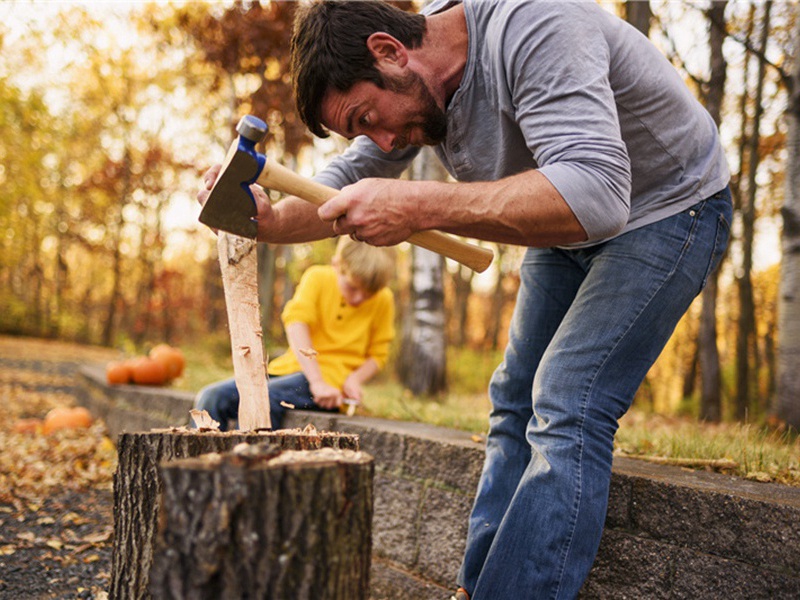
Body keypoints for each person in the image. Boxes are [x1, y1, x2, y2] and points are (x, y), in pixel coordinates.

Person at [198, 1, 732, 597]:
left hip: (668, 208)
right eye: (362, 131)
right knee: (512, 400)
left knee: (568, 399)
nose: (382, 140)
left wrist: (419, 205)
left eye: (369, 117)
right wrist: (268, 222)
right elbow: (338, 187)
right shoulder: (411, 86)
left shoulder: (537, 25)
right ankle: (478, 589)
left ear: (389, 51)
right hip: (570, 224)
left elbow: (599, 192)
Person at [195, 235, 395, 431]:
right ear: (337, 265)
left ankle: (247, 461)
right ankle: (202, 463)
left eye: (369, 294)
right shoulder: (317, 278)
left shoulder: (384, 300)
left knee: (262, 400)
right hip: (292, 372)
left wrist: (354, 379)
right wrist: (315, 380)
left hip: (331, 384)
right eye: (352, 287)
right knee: (211, 398)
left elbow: (378, 355)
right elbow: (296, 324)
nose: (360, 298)